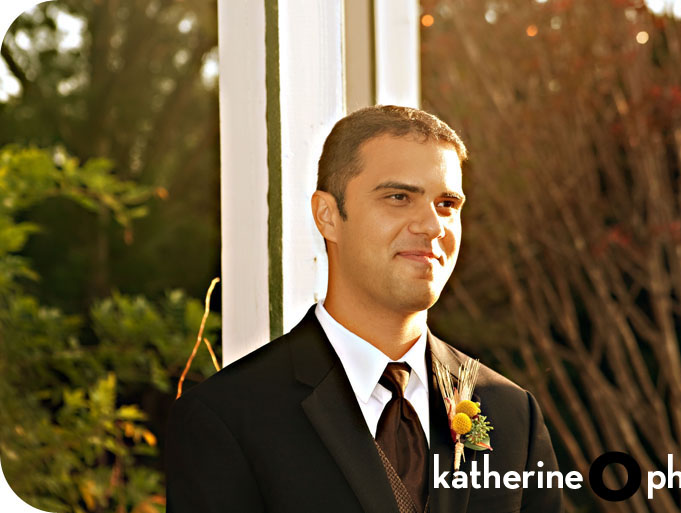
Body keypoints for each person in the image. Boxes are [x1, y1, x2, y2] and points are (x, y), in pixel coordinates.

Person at [165, 105, 563, 513]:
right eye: (399, 197)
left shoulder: (512, 414)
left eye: (446, 204)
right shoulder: (228, 418)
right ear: (327, 216)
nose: (432, 226)